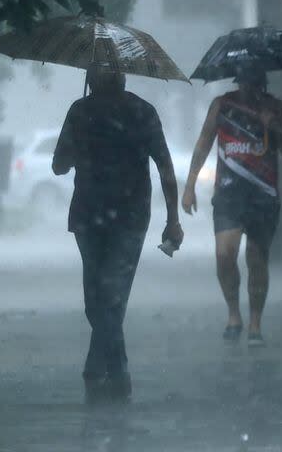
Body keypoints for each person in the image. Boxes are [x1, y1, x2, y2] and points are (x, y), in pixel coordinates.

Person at [52, 64, 184, 403]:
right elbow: (165, 166)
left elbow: (58, 165)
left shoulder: (93, 112)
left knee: (102, 296)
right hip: (115, 217)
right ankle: (98, 364)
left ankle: (117, 368)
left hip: (107, 217)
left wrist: (173, 219)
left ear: (94, 79)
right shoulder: (125, 112)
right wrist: (172, 219)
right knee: (107, 297)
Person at [182, 70, 282, 348]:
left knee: (257, 259)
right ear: (239, 81)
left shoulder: (275, 107)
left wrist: (275, 127)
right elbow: (203, 144)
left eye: (255, 82)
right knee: (224, 254)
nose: (251, 87)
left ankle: (255, 322)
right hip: (228, 194)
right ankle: (234, 314)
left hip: (263, 195)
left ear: (263, 82)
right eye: (246, 81)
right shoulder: (222, 105)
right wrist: (190, 186)